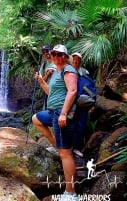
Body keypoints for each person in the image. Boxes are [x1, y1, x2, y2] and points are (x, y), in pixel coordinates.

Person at [32, 44, 78, 199]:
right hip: (52, 111)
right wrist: (41, 81)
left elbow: (72, 91)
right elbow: (51, 93)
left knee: (66, 153)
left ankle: (71, 193)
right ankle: (56, 145)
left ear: (65, 56)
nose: (56, 57)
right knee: (36, 119)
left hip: (61, 112)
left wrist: (64, 113)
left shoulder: (68, 70)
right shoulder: (56, 72)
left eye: (60, 54)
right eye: (54, 54)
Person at [71, 52, 90, 156]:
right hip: (71, 104)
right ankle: (68, 146)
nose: (75, 61)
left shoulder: (85, 72)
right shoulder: (67, 71)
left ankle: (77, 147)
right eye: (74, 59)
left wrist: (91, 104)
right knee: (70, 125)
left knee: (81, 125)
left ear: (80, 61)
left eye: (78, 60)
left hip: (83, 103)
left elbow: (90, 89)